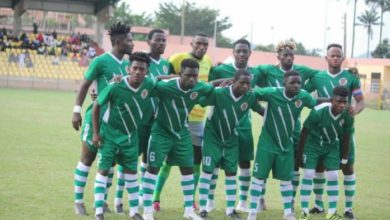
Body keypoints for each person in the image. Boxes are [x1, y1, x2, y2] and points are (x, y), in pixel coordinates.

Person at [142, 59, 227, 220]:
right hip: (161, 133)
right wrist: (159, 78)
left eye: (195, 76)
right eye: (188, 75)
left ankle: (188, 210)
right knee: (153, 168)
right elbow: (147, 85)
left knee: (188, 168)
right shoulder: (166, 87)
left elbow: (211, 85)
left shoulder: (198, 87)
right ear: (180, 74)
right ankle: (147, 211)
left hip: (182, 133)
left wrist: (230, 80)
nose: (192, 79)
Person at [71, 22, 133, 216]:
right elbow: (84, 86)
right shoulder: (101, 61)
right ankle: (78, 201)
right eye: (129, 40)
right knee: (87, 159)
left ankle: (103, 201)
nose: (133, 44)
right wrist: (76, 110)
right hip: (95, 117)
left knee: (110, 162)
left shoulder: (128, 65)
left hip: (115, 122)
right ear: (118, 42)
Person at [252, 40, 319, 210]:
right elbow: (253, 75)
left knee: (294, 163)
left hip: (293, 126)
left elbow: (319, 76)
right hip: (272, 123)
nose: (289, 58)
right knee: (264, 163)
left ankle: (290, 201)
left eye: (291, 55)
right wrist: (261, 110)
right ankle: (259, 199)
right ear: (278, 56)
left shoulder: (301, 71)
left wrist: (307, 89)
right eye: (285, 55)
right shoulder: (269, 70)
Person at [304, 43, 365, 220]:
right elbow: (303, 94)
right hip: (321, 131)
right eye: (333, 55)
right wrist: (319, 103)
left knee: (347, 167)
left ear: (342, 58)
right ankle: (318, 204)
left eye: (339, 55)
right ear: (326, 58)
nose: (336, 58)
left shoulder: (350, 76)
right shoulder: (317, 77)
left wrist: (356, 109)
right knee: (320, 167)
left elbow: (360, 100)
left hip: (343, 130)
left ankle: (348, 208)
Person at [152, 33, 212, 211]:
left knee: (195, 161)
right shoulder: (178, 58)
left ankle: (190, 201)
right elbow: (168, 78)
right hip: (176, 116)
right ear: (191, 43)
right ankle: (155, 198)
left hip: (198, 119)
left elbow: (207, 87)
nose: (201, 47)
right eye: (198, 43)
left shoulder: (208, 61)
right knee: (168, 162)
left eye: (205, 44)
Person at [114, 28, 170, 213]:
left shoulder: (166, 64)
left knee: (148, 159)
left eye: (164, 40)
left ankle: (141, 199)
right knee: (128, 158)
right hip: (136, 119)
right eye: (158, 40)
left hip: (154, 120)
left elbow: (164, 84)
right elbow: (124, 80)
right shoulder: (139, 60)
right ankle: (118, 198)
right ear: (149, 41)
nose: (161, 43)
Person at [92, 52, 154, 220]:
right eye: (134, 68)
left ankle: (134, 212)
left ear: (147, 72)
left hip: (130, 138)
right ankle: (98, 211)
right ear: (128, 69)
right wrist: (96, 133)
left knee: (132, 173)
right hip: (110, 135)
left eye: (142, 69)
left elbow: (163, 80)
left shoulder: (149, 85)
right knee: (104, 170)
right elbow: (97, 105)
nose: (137, 72)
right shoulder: (115, 86)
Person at [197, 69, 264, 220]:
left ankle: (230, 210)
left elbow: (261, 110)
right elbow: (200, 100)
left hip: (231, 138)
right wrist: (212, 86)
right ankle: (203, 209)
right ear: (234, 81)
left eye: (248, 83)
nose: (246, 86)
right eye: (242, 83)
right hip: (212, 138)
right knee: (207, 171)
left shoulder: (250, 97)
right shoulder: (219, 93)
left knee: (231, 173)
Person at [206, 39, 262, 212]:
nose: (242, 54)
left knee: (244, 162)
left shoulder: (256, 72)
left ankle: (243, 202)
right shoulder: (220, 69)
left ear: (250, 53)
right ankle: (209, 201)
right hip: (220, 124)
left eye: (245, 51)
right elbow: (207, 85)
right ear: (233, 52)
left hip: (244, 124)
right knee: (215, 162)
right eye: (238, 51)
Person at [297, 86, 354, 220]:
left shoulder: (348, 114)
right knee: (309, 174)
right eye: (339, 101)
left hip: (331, 147)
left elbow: (347, 138)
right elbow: (304, 132)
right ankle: (304, 211)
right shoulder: (318, 111)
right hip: (313, 146)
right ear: (332, 100)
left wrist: (344, 159)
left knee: (333, 175)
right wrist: (298, 157)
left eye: (345, 102)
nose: (342, 105)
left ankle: (331, 213)